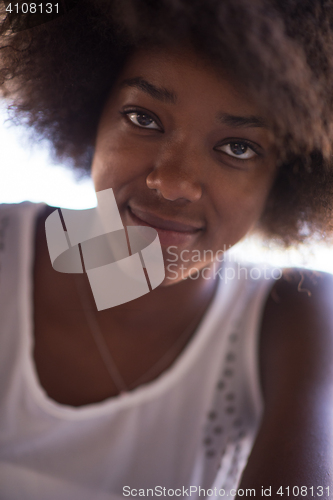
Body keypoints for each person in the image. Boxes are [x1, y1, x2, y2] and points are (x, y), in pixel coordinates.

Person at [0, 1, 333, 498]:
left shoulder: (296, 319)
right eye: (143, 117)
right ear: (91, 113)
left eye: (238, 147)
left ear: (285, 175)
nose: (174, 181)